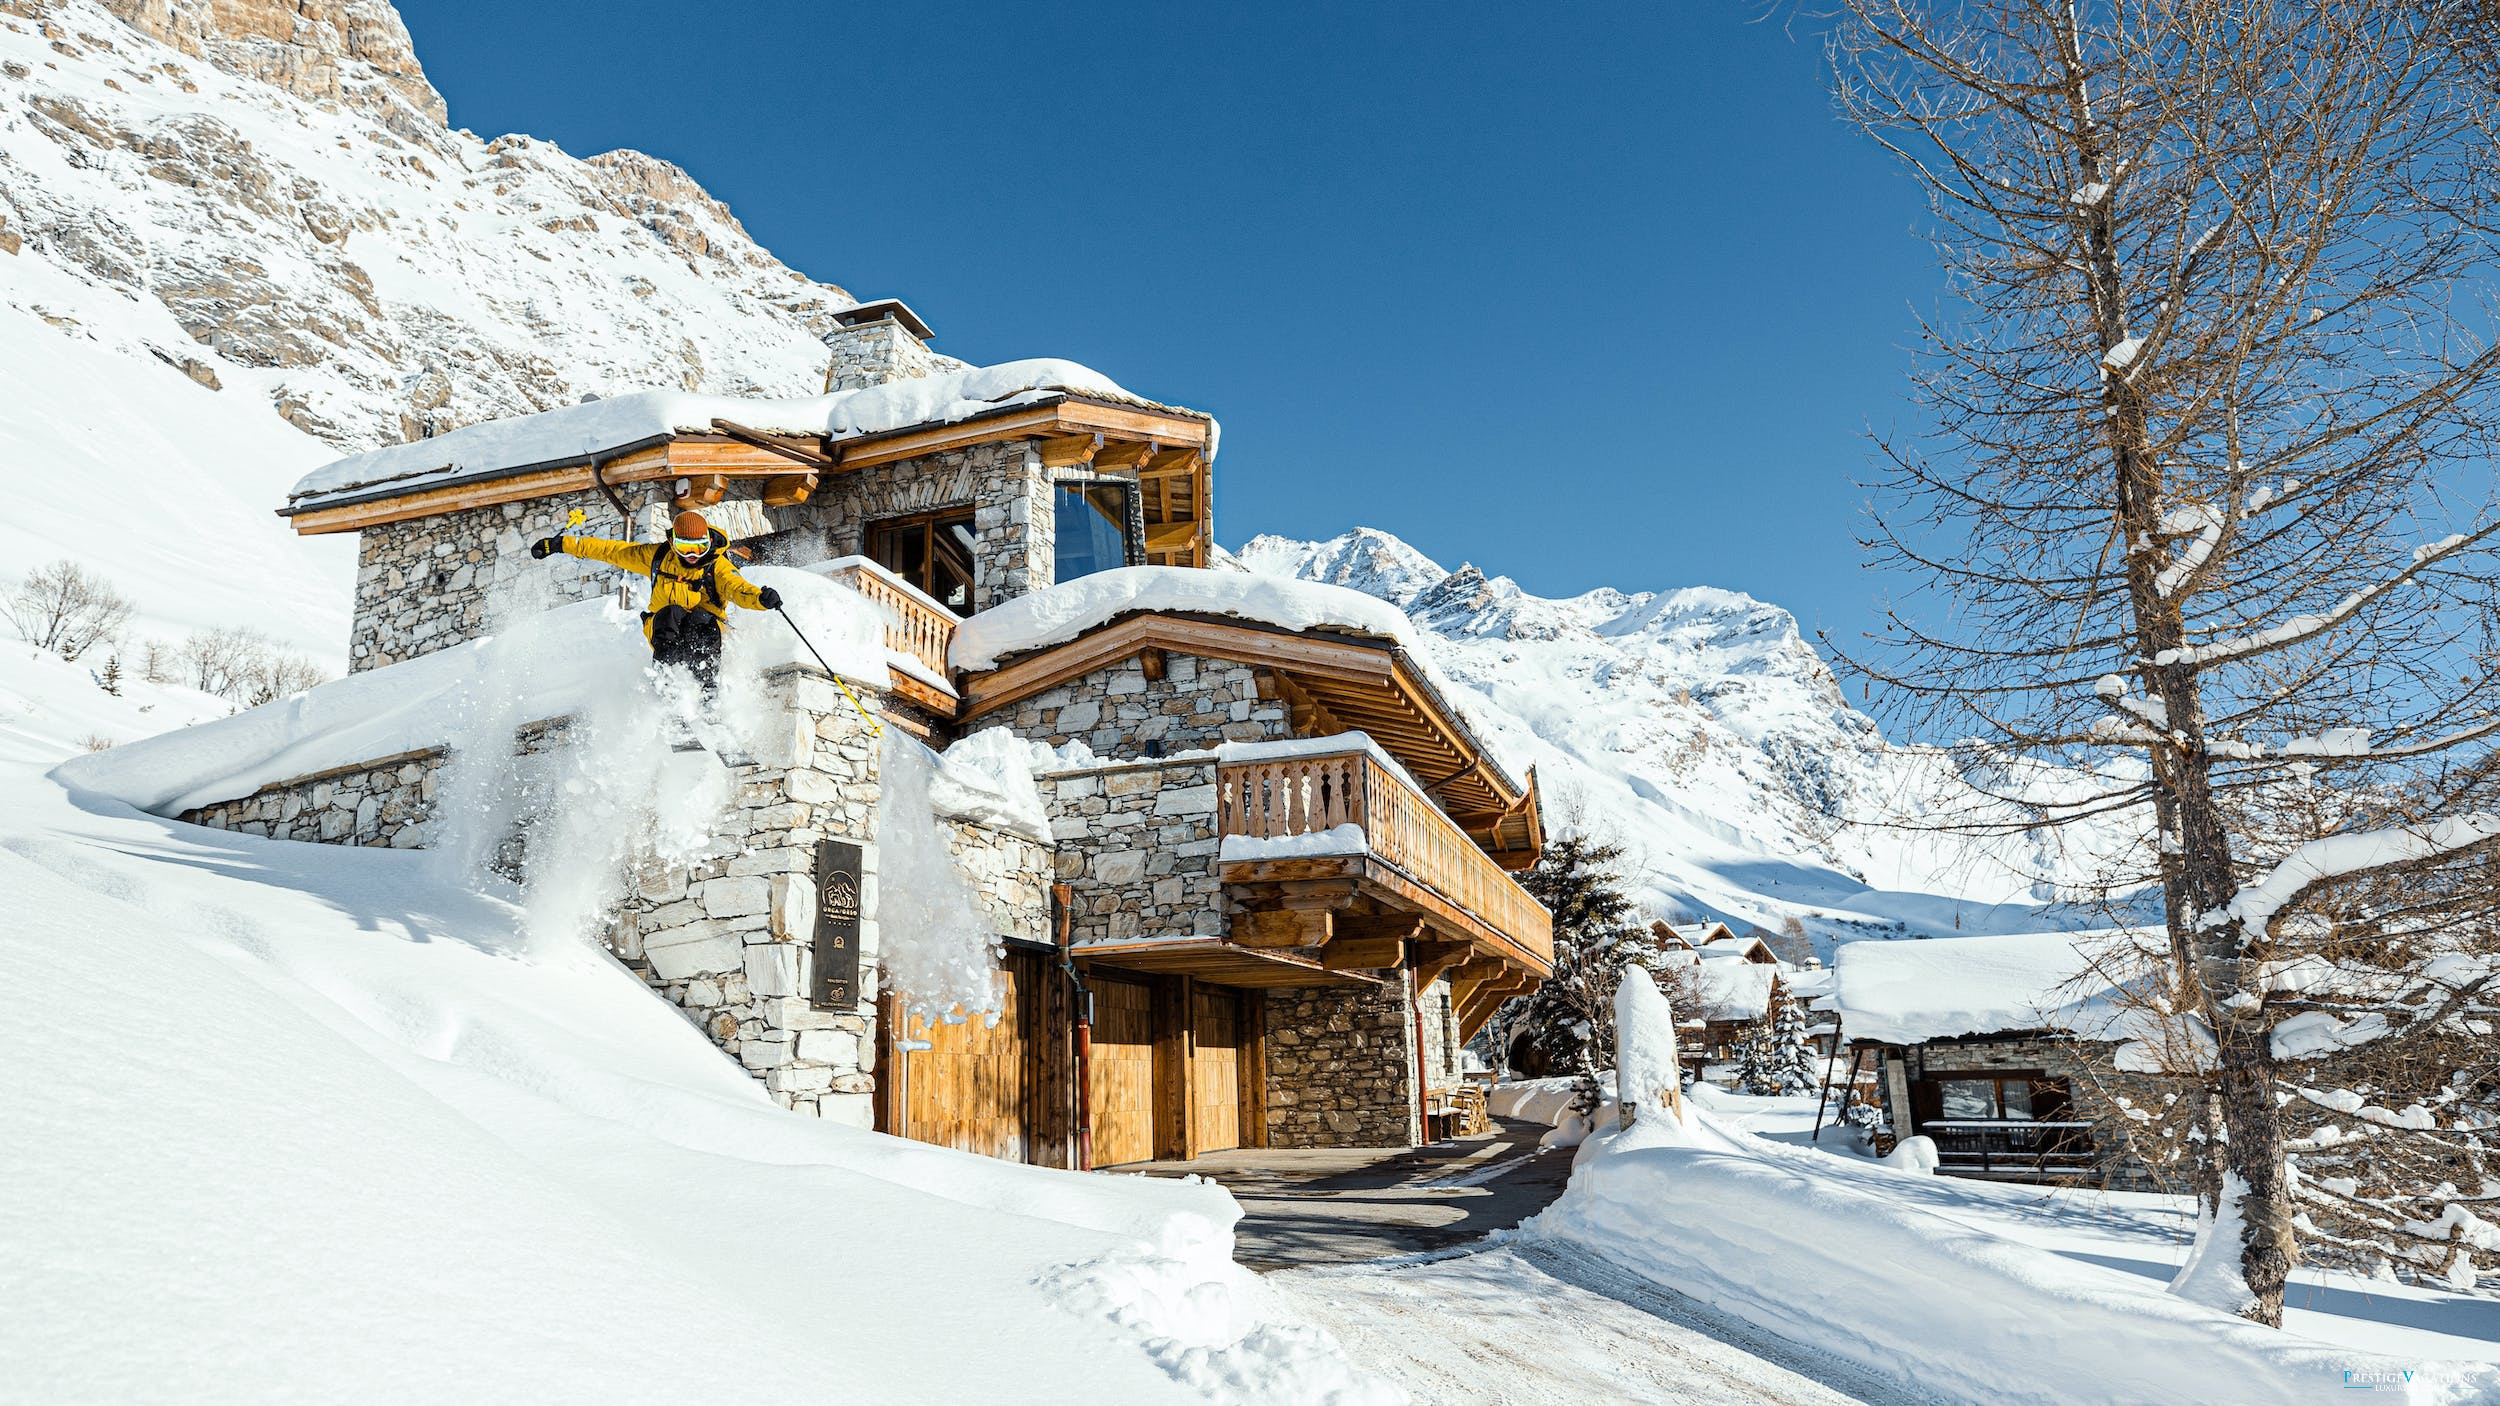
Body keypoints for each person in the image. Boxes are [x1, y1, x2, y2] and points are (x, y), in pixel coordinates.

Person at [531, 509, 781, 693]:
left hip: (707, 632)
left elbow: (738, 588)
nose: (693, 555)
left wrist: (761, 598)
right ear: (673, 542)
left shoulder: (717, 566)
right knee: (670, 613)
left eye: (700, 547)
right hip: (665, 630)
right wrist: (559, 544)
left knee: (700, 619)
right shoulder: (657, 557)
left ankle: (707, 692)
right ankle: (669, 689)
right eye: (685, 547)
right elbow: (610, 551)